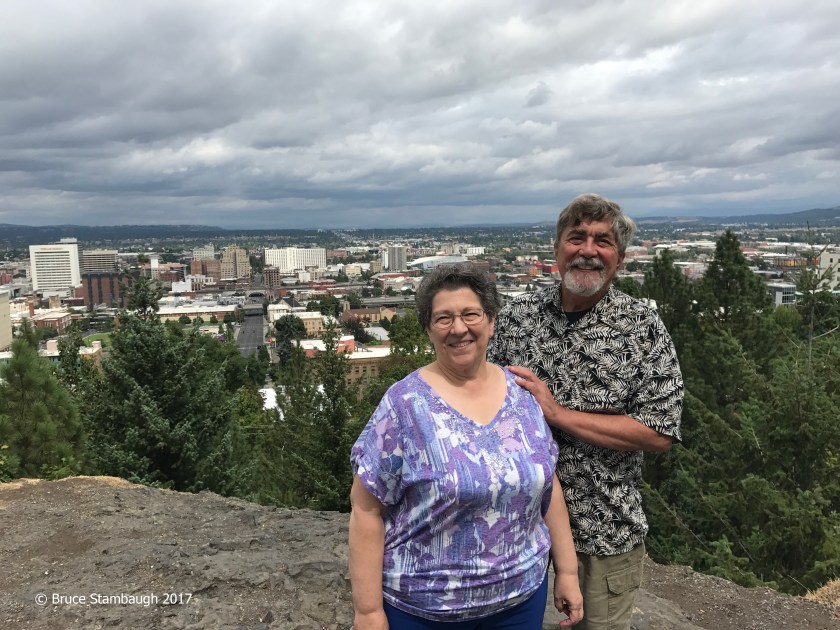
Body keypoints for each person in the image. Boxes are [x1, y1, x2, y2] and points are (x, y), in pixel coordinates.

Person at [349, 263, 584, 629]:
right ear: (428, 329)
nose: (458, 328)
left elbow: (547, 483)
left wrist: (567, 570)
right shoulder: (404, 405)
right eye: (443, 318)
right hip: (424, 611)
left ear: (491, 322)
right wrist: (368, 612)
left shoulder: (522, 394)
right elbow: (366, 510)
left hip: (519, 601)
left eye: (470, 314)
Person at [487, 194, 684, 630]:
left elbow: (659, 432)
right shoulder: (518, 318)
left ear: (621, 257)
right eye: (577, 238)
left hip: (604, 531)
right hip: (514, 530)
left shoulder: (642, 328)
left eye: (604, 241)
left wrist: (557, 414)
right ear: (557, 248)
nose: (589, 251)